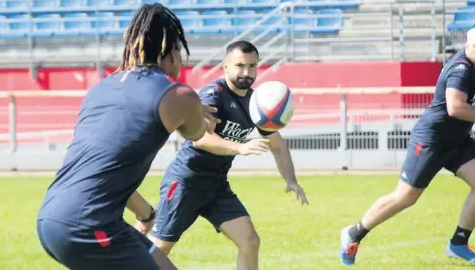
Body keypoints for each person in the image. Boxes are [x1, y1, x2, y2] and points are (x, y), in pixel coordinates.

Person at [36, 3, 219, 270]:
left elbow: (105, 168)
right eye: (180, 53)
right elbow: (198, 132)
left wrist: (145, 213)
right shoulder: (178, 94)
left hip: (51, 219)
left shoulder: (101, 88)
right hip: (87, 226)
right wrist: (196, 109)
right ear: (171, 52)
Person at [137, 40, 309, 270]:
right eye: (240, 65)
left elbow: (277, 144)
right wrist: (239, 147)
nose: (246, 72)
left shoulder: (257, 103)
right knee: (158, 250)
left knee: (250, 241)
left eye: (252, 66)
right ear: (225, 66)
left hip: (216, 186)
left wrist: (291, 180)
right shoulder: (213, 96)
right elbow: (199, 138)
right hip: (185, 182)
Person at [340, 27, 475, 266]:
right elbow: (455, 107)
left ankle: (458, 243)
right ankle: (354, 232)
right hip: (431, 141)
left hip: (457, 140)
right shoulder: (461, 70)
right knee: (405, 197)